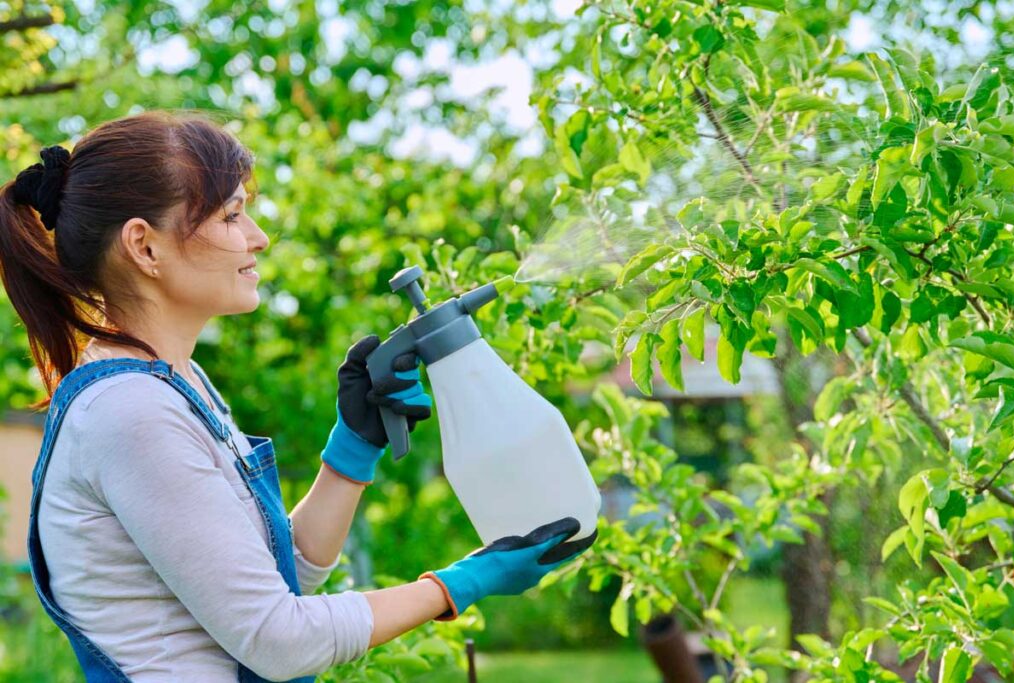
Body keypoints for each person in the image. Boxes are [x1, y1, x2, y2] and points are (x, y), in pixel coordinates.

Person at [0, 111, 596, 682]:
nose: (258, 239)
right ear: (144, 246)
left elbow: (281, 584)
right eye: (232, 216)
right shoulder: (130, 414)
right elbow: (279, 640)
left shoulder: (178, 385)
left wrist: (352, 451)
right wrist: (462, 582)